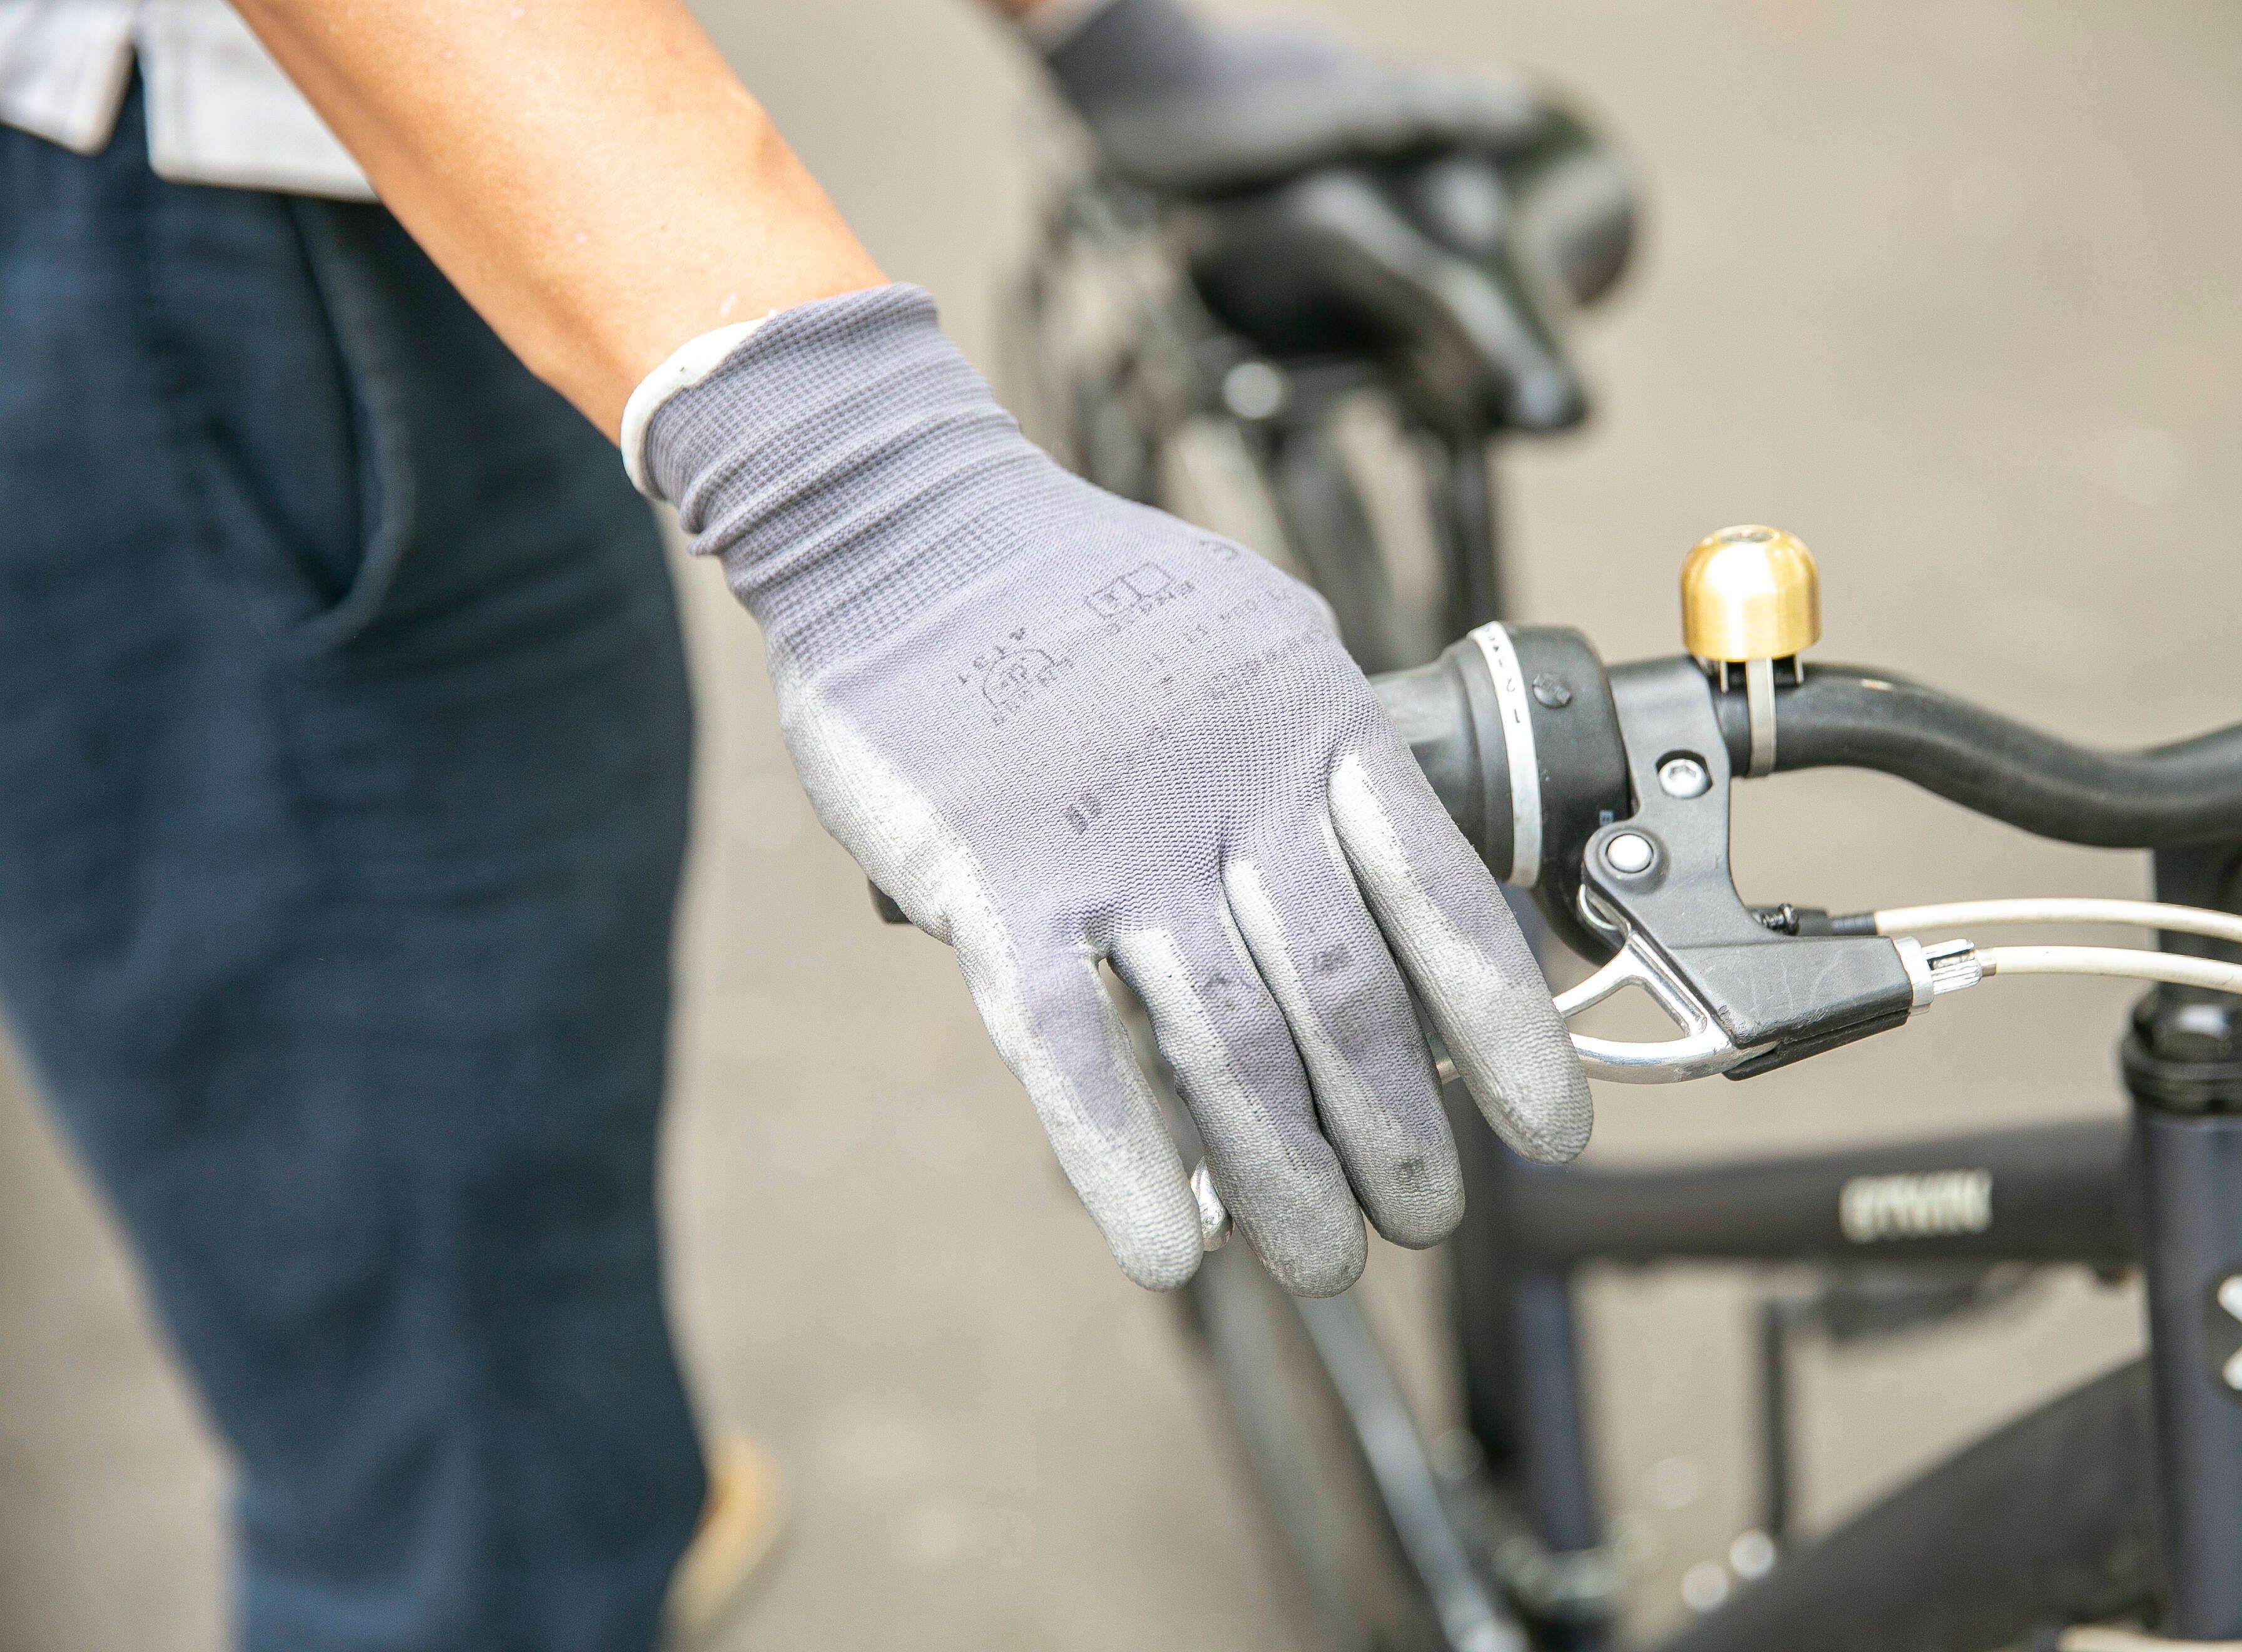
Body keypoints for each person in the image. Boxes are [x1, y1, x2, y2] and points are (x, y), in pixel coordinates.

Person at [0, 0, 1592, 1646]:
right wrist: (855, 471)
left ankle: (585, 1485)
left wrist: (1104, 31)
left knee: (524, 1238)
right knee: (457, 1490)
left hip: (452, 141)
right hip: (157, 203)